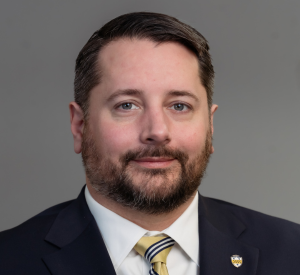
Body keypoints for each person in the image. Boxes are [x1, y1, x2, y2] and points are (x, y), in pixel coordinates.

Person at [0, 11, 299, 275]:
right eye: (127, 105)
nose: (157, 131)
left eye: (179, 106)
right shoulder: (9, 260)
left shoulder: (291, 253)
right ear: (80, 126)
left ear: (210, 125)